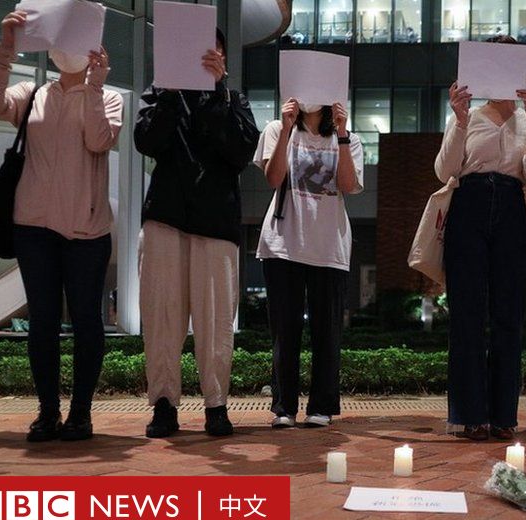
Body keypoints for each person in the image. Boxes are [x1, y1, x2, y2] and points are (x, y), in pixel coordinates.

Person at [0, 11, 123, 442]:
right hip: (34, 227)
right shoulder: (33, 92)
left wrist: (95, 85)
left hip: (87, 230)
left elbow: (99, 140)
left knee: (86, 321)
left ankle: (80, 413)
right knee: (42, 322)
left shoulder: (108, 96)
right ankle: (46, 412)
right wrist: (6, 47)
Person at [135, 28, 260, 438]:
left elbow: (241, 152)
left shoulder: (233, 99)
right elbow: (146, 140)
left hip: (217, 222)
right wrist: (171, 93)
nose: (205, 57)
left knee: (216, 320)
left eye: (214, 51)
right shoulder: (160, 91)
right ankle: (165, 404)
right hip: (166, 217)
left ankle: (216, 404)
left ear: (223, 57)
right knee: (162, 315)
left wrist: (218, 91)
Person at [435, 35, 526, 441]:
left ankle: (503, 415)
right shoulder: (468, 116)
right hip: (469, 203)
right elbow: (444, 169)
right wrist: (460, 119)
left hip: (512, 206)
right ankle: (468, 414)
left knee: (508, 315)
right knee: (467, 313)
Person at [253, 94, 363, 429]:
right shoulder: (276, 128)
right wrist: (286, 129)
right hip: (284, 244)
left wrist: (342, 134)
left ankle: (322, 406)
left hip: (329, 245)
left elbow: (347, 185)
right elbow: (273, 179)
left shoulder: (349, 137)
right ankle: (283, 407)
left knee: (326, 331)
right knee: (285, 331)